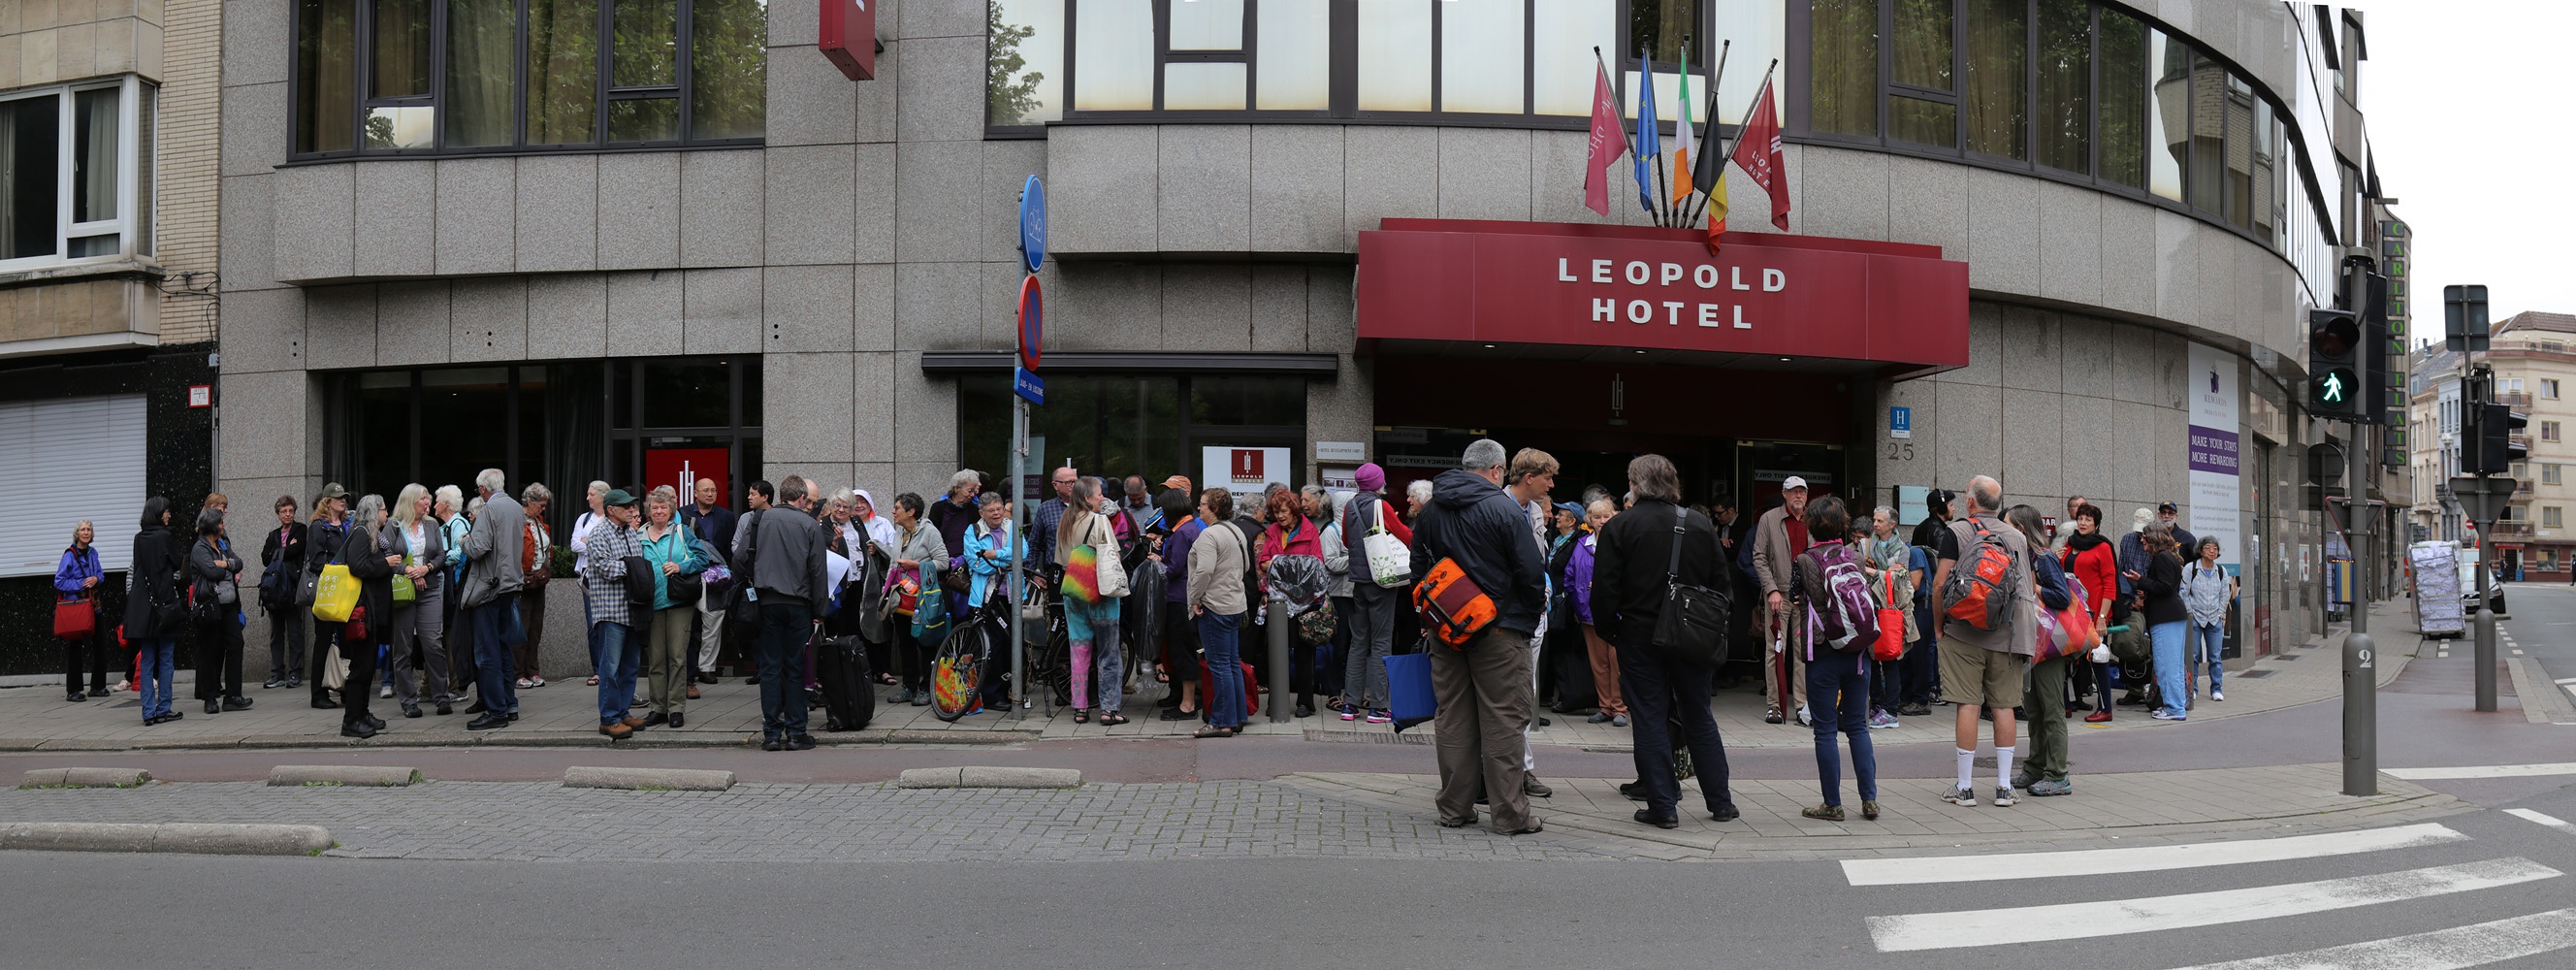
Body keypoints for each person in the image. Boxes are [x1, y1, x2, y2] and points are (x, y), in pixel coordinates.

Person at [1591, 454, 1737, 828]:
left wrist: (1611, 632)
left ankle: (1663, 806)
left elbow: (1604, 593)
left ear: (1635, 485)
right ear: (1673, 483)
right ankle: (1721, 803)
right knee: (1698, 714)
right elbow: (1722, 589)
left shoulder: (1620, 527)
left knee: (1650, 718)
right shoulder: (1701, 525)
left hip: (1638, 634)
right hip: (1692, 636)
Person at [1409, 439, 1547, 835]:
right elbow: (1530, 571)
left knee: (1452, 715)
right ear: (1498, 470)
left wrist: (1433, 615)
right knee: (1503, 719)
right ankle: (1510, 815)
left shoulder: (1432, 508)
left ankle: (1454, 807)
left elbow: (1419, 565)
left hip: (1448, 630)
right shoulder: (1503, 508)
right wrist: (1531, 609)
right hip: (1500, 630)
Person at [1930, 476, 2038, 807]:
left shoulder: (1958, 532)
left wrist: (1938, 628)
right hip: (2008, 636)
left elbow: (1939, 584)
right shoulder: (2017, 536)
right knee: (2004, 706)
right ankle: (2004, 787)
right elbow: (2028, 590)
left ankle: (1965, 788)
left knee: (1968, 705)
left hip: (1964, 631)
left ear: (1970, 502)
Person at [1788, 496, 1878, 822]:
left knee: (1825, 731)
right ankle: (1869, 800)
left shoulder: (1804, 560)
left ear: (1811, 525)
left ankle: (1832, 804)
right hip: (1858, 651)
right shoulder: (1854, 555)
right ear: (1844, 524)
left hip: (1823, 651)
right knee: (1858, 727)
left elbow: (1794, 597)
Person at [747, 477, 832, 750]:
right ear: (803, 499)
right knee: (795, 668)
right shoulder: (809, 525)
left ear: (781, 495)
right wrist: (820, 610)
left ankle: (771, 734)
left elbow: (741, 558)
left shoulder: (760, 520)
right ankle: (796, 732)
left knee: (770, 668)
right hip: (798, 603)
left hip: (767, 602)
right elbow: (818, 571)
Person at [2006, 504, 2077, 797]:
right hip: (2031, 643)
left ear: (2021, 529)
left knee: (2051, 710)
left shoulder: (2043, 558)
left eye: (2008, 525)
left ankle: (2057, 774)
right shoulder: (2024, 557)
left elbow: (2061, 595)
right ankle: (2036, 767)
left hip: (2047, 645)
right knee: (2034, 709)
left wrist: (2035, 589)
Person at [1502, 447, 1561, 797]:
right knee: (1509, 697)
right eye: (1547, 478)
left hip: (1534, 615)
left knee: (1527, 695)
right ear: (1529, 477)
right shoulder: (1498, 507)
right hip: (1507, 619)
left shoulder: (1536, 511)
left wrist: (1546, 588)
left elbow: (1539, 561)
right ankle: (1508, 773)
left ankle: (1522, 770)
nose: (1551, 485)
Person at [1336, 464, 1411, 724]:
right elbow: (1405, 536)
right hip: (1382, 581)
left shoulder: (1349, 506)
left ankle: (1350, 705)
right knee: (1381, 642)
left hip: (1358, 582)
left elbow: (1347, 541)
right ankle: (1379, 707)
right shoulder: (1381, 506)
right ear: (1377, 483)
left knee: (1358, 642)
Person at [456, 469, 529, 730]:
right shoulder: (516, 508)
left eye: (478, 490)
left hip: (489, 587)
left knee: (486, 653)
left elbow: (478, 548)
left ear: (484, 489)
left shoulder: (488, 510)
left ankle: (496, 711)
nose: (479, 494)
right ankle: (509, 705)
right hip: (509, 586)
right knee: (504, 648)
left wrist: (464, 540)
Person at [1056, 478, 1130, 725]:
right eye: (1099, 494)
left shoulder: (1065, 521)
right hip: (1101, 593)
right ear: (1087, 498)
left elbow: (1062, 560)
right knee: (1109, 651)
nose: (1102, 498)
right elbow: (1114, 556)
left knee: (1078, 650)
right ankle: (1109, 709)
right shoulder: (1099, 521)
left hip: (1074, 592)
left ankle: (1080, 708)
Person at [582, 489, 650, 739]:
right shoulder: (599, 533)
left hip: (631, 610)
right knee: (610, 668)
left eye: (633, 506)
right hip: (611, 612)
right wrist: (633, 567)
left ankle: (622, 712)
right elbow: (606, 568)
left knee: (630, 666)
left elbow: (638, 560)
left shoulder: (630, 532)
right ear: (611, 510)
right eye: (626, 507)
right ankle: (608, 719)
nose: (632, 510)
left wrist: (634, 566)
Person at [382, 484, 453, 718]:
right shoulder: (392, 527)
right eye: (424, 498)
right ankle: (408, 701)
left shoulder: (432, 525)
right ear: (411, 501)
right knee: (403, 648)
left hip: (430, 590)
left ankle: (441, 696)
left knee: (433, 644)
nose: (428, 502)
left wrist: (426, 568)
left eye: (428, 498)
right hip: (403, 592)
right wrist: (409, 570)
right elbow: (385, 557)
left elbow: (441, 556)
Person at [333, 495, 401, 738]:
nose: (386, 514)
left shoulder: (370, 535)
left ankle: (362, 713)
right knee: (361, 668)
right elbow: (357, 566)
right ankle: (351, 720)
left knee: (368, 665)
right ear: (373, 512)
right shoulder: (361, 533)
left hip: (371, 609)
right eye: (383, 510)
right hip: (361, 612)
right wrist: (385, 562)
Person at [640, 490, 708, 728]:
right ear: (648, 511)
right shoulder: (638, 535)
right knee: (656, 659)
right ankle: (658, 708)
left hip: (679, 603)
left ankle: (676, 708)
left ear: (671, 512)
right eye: (654, 508)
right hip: (651, 603)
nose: (658, 511)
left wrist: (681, 566)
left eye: (663, 508)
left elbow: (702, 559)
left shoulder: (682, 531)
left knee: (677, 657)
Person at [1752, 476, 1817, 726]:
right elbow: (1758, 557)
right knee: (1775, 650)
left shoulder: (1813, 518)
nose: (1798, 495)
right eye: (1793, 491)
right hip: (1779, 596)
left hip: (1806, 597)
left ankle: (1802, 705)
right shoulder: (1769, 518)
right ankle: (1774, 706)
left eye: (1802, 491)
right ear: (1784, 494)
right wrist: (1771, 591)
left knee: (1803, 653)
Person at [1186, 488, 1249, 738]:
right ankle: (1236, 717)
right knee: (1232, 663)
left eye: (1202, 504)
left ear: (1214, 508)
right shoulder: (1236, 531)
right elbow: (1245, 565)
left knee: (1220, 665)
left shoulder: (1209, 536)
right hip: (1235, 603)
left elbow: (1203, 571)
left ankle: (1221, 721)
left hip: (1214, 606)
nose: (1199, 508)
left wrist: (1194, 599)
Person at [884, 492, 950, 706]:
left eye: (897, 508)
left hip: (923, 599)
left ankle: (926, 687)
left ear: (911, 512)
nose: (893, 511)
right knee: (905, 642)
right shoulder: (899, 531)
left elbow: (943, 562)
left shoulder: (929, 531)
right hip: (902, 597)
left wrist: (917, 565)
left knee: (926, 642)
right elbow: (894, 563)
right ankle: (909, 687)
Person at [184, 507, 251, 716]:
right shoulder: (200, 548)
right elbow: (211, 571)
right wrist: (227, 568)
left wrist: (225, 563)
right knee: (209, 651)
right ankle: (210, 698)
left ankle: (233, 696)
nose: (224, 525)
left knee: (236, 645)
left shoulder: (222, 543)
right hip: (210, 605)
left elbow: (238, 562)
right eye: (221, 522)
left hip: (229, 605)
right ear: (212, 525)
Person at [1568, 499, 1625, 727]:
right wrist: (1578, 601)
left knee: (1617, 662)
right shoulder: (1581, 545)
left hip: (1617, 614)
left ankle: (1620, 708)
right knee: (1598, 664)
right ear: (1589, 520)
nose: (1602, 521)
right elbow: (1571, 577)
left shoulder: (1622, 544)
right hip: (1588, 613)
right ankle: (1605, 707)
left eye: (1606, 516)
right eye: (1597, 517)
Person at [1859, 506, 1916, 729]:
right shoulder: (1864, 544)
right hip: (1868, 605)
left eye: (1880, 521)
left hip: (1890, 608)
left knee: (1890, 657)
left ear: (1892, 524)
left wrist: (1874, 571)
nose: (1875, 524)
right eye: (1874, 520)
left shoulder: (1903, 549)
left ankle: (1890, 710)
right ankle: (1876, 705)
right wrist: (1887, 573)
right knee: (1871, 657)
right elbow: (1857, 566)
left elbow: (1900, 579)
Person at [1898, 489, 1953, 717]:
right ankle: (1926, 695)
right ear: (1940, 507)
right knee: (1925, 648)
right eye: (1950, 505)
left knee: (1915, 649)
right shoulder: (1940, 532)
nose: (1953, 509)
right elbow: (1945, 568)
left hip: (1917, 599)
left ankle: (1914, 695)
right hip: (1930, 598)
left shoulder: (1920, 528)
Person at [2063, 503, 2119, 723]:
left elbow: (2110, 584)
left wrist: (2103, 618)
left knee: (2098, 657)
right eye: (2080, 518)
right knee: (2064, 657)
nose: (2083, 523)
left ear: (2096, 525)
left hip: (2094, 611)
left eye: (2088, 519)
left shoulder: (2103, 547)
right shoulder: (2069, 544)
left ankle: (2105, 708)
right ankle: (2065, 705)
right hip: (2069, 611)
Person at [679, 477, 736, 687]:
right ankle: (688, 669)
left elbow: (730, 547)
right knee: (689, 623)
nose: (710, 494)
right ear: (695, 493)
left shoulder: (726, 516)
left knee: (713, 621)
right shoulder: (683, 514)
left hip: (715, 577)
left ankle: (707, 668)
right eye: (705, 490)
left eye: (713, 490)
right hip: (690, 575)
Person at [303, 484, 352, 710]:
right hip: (328, 591)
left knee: (347, 641)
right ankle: (318, 694)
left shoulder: (347, 526)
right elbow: (316, 562)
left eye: (344, 497)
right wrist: (340, 570)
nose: (342, 501)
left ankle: (345, 688)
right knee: (323, 641)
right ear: (327, 502)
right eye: (337, 498)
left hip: (346, 591)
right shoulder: (317, 527)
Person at [1158, 484, 1204, 720]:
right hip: (1184, 597)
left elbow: (1174, 569)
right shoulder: (1189, 528)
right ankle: (1183, 699)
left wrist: (1157, 562)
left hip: (1179, 599)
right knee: (1182, 650)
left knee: (1183, 651)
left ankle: (1188, 705)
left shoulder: (1183, 532)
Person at [54, 520, 109, 701]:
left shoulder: (94, 553)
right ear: (77, 534)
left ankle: (98, 687)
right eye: (83, 529)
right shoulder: (69, 555)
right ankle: (74, 690)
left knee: (101, 644)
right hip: (76, 606)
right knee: (75, 648)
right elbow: (59, 581)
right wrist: (80, 584)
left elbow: (101, 575)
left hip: (94, 606)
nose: (86, 532)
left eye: (89, 529)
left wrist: (96, 579)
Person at [258, 498, 306, 690]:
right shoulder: (273, 535)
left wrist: (280, 552)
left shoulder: (301, 529)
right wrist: (286, 549)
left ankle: (296, 673)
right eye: (284, 511)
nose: (288, 514)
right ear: (278, 514)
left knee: (295, 632)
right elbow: (264, 558)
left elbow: (298, 549)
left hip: (293, 588)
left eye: (291, 510)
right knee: (276, 634)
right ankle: (276, 673)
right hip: (275, 591)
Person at [2183, 536, 2237, 703]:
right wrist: (2189, 612)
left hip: (2214, 619)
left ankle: (2216, 689)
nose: (2212, 551)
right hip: (2195, 618)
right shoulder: (2190, 568)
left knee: (2215, 656)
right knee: (2193, 655)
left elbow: (2224, 594)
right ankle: (2192, 689)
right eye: (2208, 547)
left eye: (2215, 548)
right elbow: (2184, 592)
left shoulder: (2221, 571)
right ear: (2200, 550)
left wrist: (2221, 613)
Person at [570, 480, 609, 687]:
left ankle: (609, 667)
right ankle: (598, 670)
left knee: (609, 625)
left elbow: (610, 546)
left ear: (603, 496)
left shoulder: (611, 517)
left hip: (608, 578)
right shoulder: (584, 519)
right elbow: (574, 544)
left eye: (591, 494)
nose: (587, 498)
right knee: (592, 624)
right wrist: (596, 545)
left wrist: (589, 542)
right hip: (588, 578)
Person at [517, 483, 554, 689]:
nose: (543, 508)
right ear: (529, 502)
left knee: (535, 628)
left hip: (539, 581)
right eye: (541, 504)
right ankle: (518, 673)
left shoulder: (539, 522)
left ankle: (532, 670)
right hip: (523, 581)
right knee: (521, 628)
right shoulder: (518, 521)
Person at [929, 469, 982, 558]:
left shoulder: (973, 510)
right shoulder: (938, 508)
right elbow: (931, 536)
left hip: (966, 560)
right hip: (941, 559)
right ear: (956, 488)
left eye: (974, 491)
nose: (972, 495)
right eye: (969, 491)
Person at [1034, 467, 1079, 566]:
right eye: (1068, 482)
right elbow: (1034, 544)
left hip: (1083, 570)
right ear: (1055, 485)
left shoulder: (1087, 506)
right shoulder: (1046, 509)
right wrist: (1033, 573)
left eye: (1075, 482)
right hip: (1055, 572)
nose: (1073, 486)